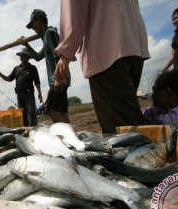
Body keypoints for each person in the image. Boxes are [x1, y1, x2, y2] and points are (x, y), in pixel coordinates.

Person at [54, 0, 150, 133]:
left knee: (124, 132)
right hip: (134, 47)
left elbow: (74, 10)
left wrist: (65, 53)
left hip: (107, 51)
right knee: (128, 117)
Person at [23, 9, 70, 123]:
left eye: (33, 24)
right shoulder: (45, 37)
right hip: (59, 78)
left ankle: (63, 136)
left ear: (39, 20)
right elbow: (38, 57)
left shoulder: (49, 33)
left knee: (49, 109)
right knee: (62, 111)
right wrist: (26, 45)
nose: (33, 28)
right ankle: (71, 136)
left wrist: (56, 79)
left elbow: (59, 57)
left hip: (58, 79)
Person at [0, 48, 43, 126]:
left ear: (28, 57)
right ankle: (26, 130)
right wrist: (0, 74)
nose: (22, 57)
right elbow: (9, 79)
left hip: (29, 94)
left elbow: (37, 82)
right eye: (21, 56)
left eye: (24, 56)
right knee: (22, 115)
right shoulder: (16, 68)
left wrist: (40, 93)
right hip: (19, 95)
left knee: (32, 113)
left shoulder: (33, 68)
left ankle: (34, 128)